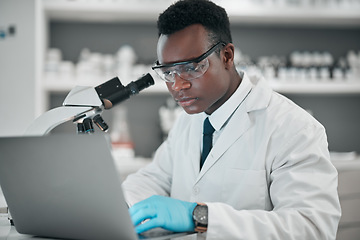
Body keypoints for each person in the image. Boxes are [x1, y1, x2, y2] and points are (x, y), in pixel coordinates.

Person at [122, 0, 341, 239]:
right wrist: (124, 207)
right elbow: (155, 177)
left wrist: (200, 217)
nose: (177, 85)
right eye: (167, 72)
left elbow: (312, 229)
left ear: (227, 56)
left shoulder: (293, 128)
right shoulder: (190, 120)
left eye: (192, 68)